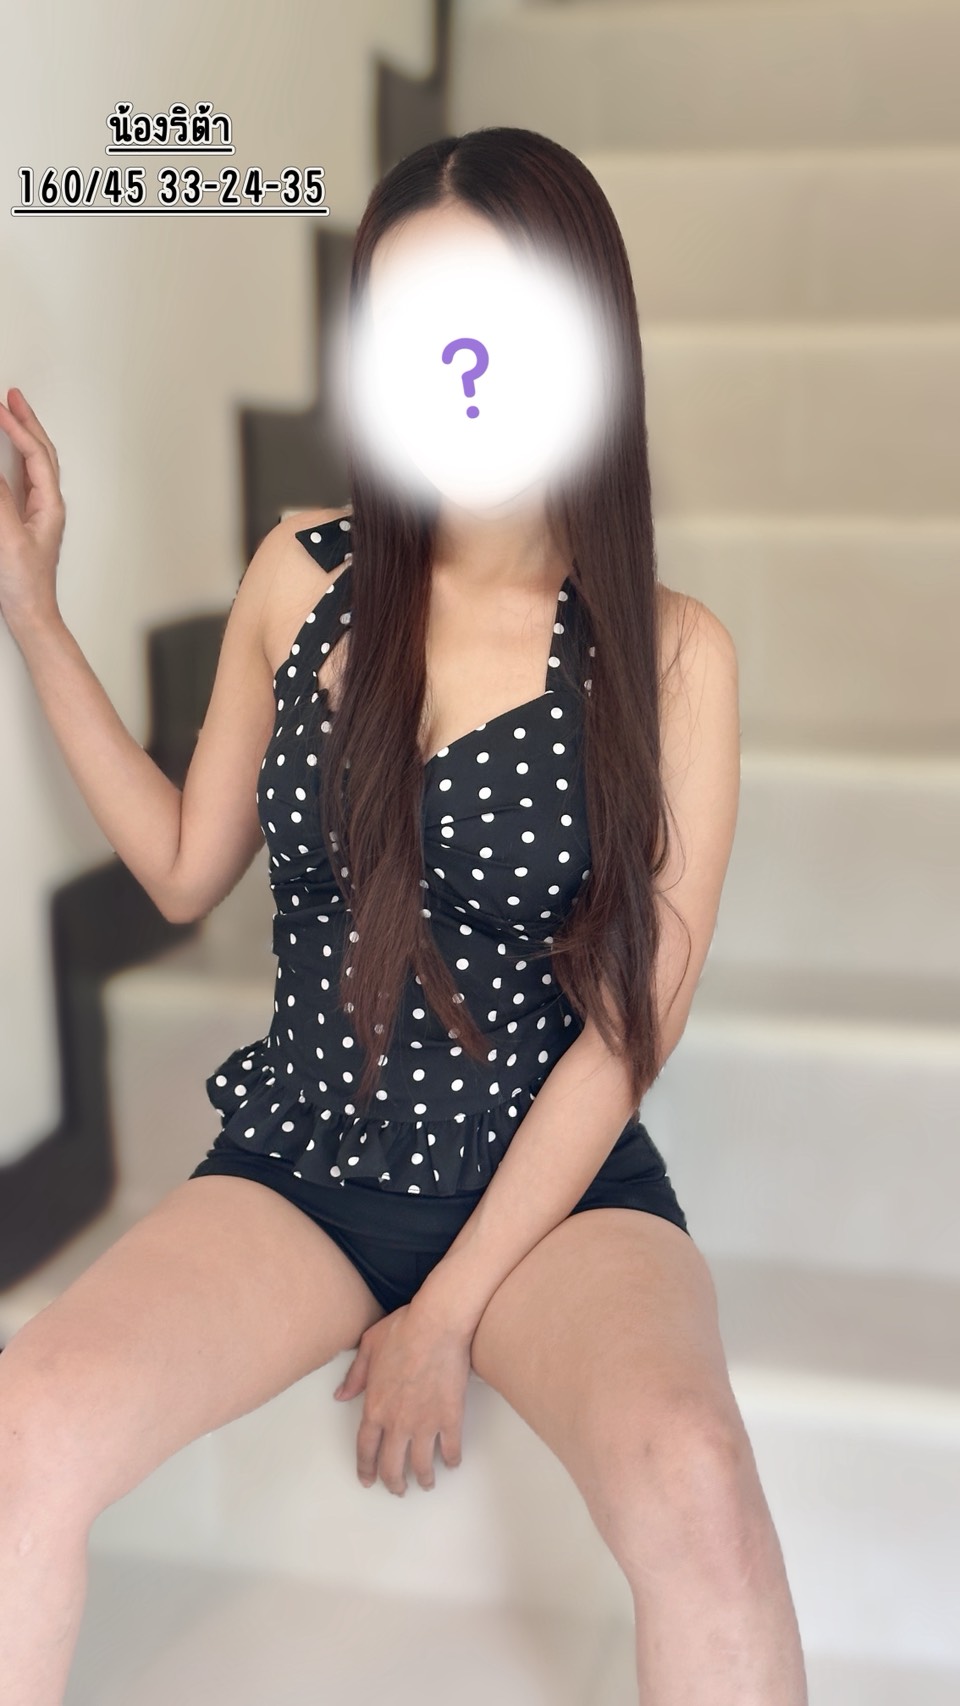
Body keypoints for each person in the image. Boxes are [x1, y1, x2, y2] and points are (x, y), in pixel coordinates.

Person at [0, 127, 807, 1704]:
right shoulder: (302, 576)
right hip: (305, 1159)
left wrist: (446, 1309)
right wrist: (32, 609)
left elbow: (627, 1031)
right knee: (24, 1421)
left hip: (552, 1193)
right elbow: (182, 868)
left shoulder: (673, 657)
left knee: (696, 1473)